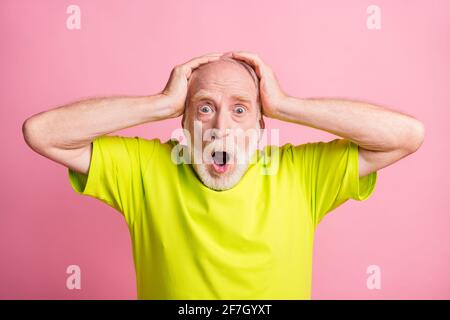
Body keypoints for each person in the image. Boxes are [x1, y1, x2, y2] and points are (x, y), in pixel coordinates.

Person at [22, 51, 425, 299]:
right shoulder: (144, 169)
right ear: (183, 121)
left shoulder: (302, 173)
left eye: (239, 109)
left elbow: (406, 136)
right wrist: (158, 104)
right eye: (204, 107)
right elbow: (42, 133)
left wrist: (287, 104)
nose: (221, 127)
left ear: (260, 124)